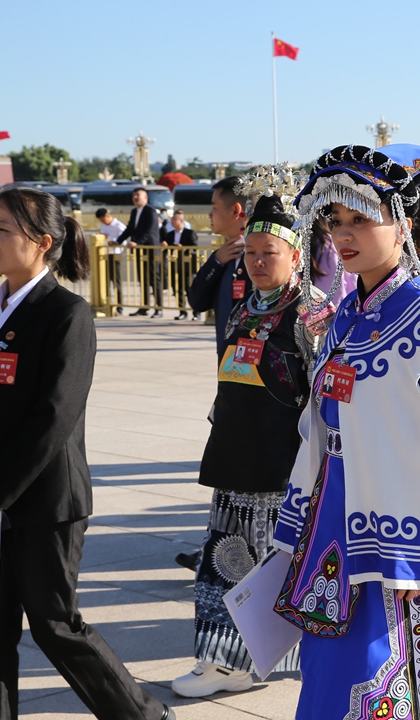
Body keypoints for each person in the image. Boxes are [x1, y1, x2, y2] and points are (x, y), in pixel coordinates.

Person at [273, 144, 420, 719]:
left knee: (380, 668)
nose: (343, 234)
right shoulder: (345, 312)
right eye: (335, 221)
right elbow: (322, 421)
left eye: (361, 219)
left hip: (398, 530)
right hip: (334, 514)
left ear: (403, 225)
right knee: (328, 665)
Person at [0, 186, 174, 720]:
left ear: (43, 242)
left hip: (45, 500)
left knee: (54, 624)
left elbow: (54, 417)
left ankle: (142, 714)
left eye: (4, 229)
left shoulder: (66, 314)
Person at [171, 175, 325, 698]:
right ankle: (220, 658)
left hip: (280, 464)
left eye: (270, 253)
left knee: (261, 561)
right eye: (252, 252)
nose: (258, 262)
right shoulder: (244, 305)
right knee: (224, 559)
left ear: (295, 256)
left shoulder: (311, 311)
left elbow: (325, 393)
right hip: (236, 453)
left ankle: (243, 662)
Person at [188, 175, 254, 358]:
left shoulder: (262, 257)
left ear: (235, 211)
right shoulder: (222, 257)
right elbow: (197, 301)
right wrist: (216, 261)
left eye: (215, 207)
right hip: (227, 364)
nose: (210, 214)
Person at [115, 187, 162, 317]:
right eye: (134, 195)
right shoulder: (135, 211)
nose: (135, 198)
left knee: (154, 279)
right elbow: (130, 229)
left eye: (138, 195)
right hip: (139, 251)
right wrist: (118, 241)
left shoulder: (150, 211)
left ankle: (159, 308)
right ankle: (144, 307)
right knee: (143, 279)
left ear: (145, 198)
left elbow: (149, 230)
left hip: (150, 250)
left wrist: (138, 242)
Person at [308, 216, 357, 307]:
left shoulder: (304, 244)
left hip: (314, 310)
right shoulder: (328, 243)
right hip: (337, 308)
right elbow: (338, 284)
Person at [163, 209, 198, 320]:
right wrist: (164, 247)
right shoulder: (169, 234)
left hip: (186, 266)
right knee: (176, 288)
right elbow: (166, 250)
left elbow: (194, 247)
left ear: (182, 220)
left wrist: (183, 248)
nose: (172, 221)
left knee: (189, 289)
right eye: (172, 219)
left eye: (175, 219)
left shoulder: (189, 233)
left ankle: (195, 312)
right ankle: (182, 311)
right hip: (174, 265)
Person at [96, 208, 127, 315]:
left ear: (108, 216)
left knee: (116, 281)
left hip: (116, 254)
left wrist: (109, 238)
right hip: (105, 254)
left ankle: (119, 306)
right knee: (106, 280)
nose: (103, 222)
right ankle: (107, 303)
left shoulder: (119, 226)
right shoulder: (105, 226)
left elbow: (124, 239)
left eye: (103, 220)